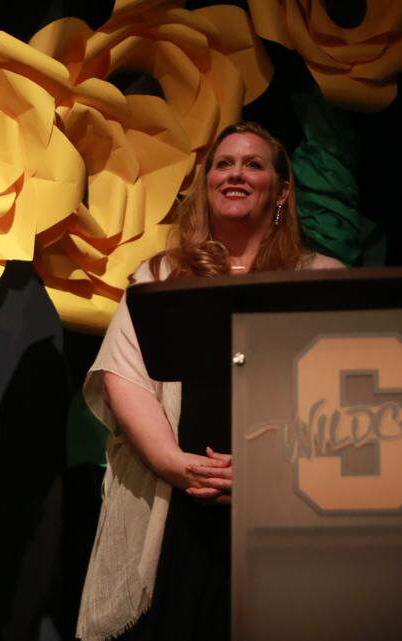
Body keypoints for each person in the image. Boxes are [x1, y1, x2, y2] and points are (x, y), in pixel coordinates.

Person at [75, 121, 344, 641]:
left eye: (253, 164)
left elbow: (341, 397)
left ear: (282, 190)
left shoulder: (320, 278)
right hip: (179, 502)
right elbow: (121, 373)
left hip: (287, 502)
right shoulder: (160, 276)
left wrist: (267, 473)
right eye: (223, 164)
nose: (235, 174)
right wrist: (179, 466)